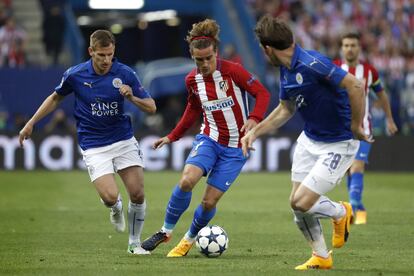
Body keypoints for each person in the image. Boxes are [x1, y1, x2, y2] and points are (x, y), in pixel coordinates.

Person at [241, 15, 371, 270]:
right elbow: (285, 109)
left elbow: (355, 85)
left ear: (268, 49)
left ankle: (341, 212)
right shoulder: (285, 70)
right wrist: (254, 132)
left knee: (302, 202)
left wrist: (356, 126)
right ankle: (321, 256)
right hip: (309, 140)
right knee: (297, 207)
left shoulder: (313, 63)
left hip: (339, 143)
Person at [18, 30, 156, 255]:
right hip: (93, 145)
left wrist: (132, 97)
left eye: (109, 54)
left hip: (122, 139)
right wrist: (32, 122)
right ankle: (115, 208)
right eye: (101, 55)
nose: (105, 60)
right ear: (91, 51)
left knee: (138, 194)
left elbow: (151, 107)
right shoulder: (75, 74)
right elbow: (55, 97)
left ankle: (134, 244)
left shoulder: (126, 73)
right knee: (111, 197)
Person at [141, 19, 270, 257]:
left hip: (235, 148)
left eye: (208, 58)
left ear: (216, 53)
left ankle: (189, 238)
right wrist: (173, 136)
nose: (204, 64)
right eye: (199, 60)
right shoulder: (192, 80)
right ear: (192, 57)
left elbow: (262, 93)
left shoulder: (233, 71)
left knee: (209, 202)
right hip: (209, 139)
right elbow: (192, 109)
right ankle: (165, 231)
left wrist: (254, 118)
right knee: (186, 181)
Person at [334, 32, 398, 224]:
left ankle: (352, 208)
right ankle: (359, 208)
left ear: (359, 48)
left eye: (353, 45)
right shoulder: (335, 68)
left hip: (364, 129)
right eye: (346, 45)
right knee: (348, 170)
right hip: (341, 131)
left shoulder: (369, 71)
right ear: (342, 48)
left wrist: (389, 119)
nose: (350, 49)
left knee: (357, 166)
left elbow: (382, 95)